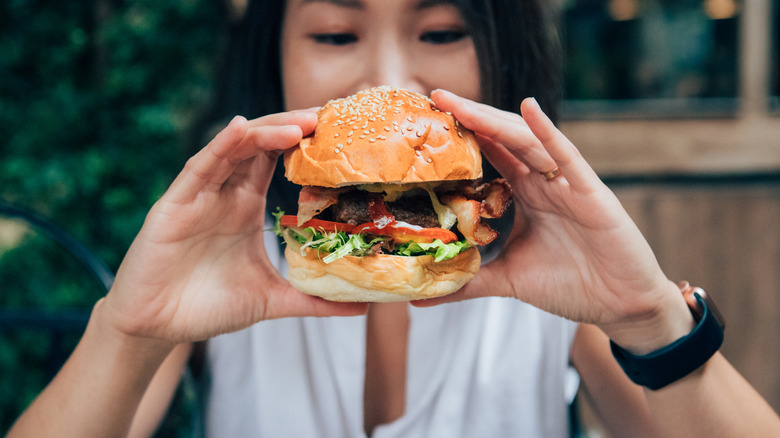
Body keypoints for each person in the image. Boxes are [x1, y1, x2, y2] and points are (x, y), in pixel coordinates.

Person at [8, 0, 780, 437]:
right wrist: (127, 332)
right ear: (271, 55)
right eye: (335, 34)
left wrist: (651, 319)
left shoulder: (550, 282)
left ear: (499, 54)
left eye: (441, 33)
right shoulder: (225, 262)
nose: (387, 82)